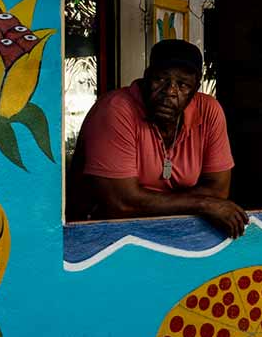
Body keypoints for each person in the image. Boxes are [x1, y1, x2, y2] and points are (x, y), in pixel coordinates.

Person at [74, 39, 248, 237]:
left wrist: (146, 199)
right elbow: (121, 204)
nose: (170, 92)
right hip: (98, 240)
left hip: (173, 234)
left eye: (182, 85)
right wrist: (203, 203)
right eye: (161, 80)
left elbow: (218, 192)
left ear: (196, 87)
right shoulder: (116, 109)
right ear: (147, 77)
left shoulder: (208, 111)